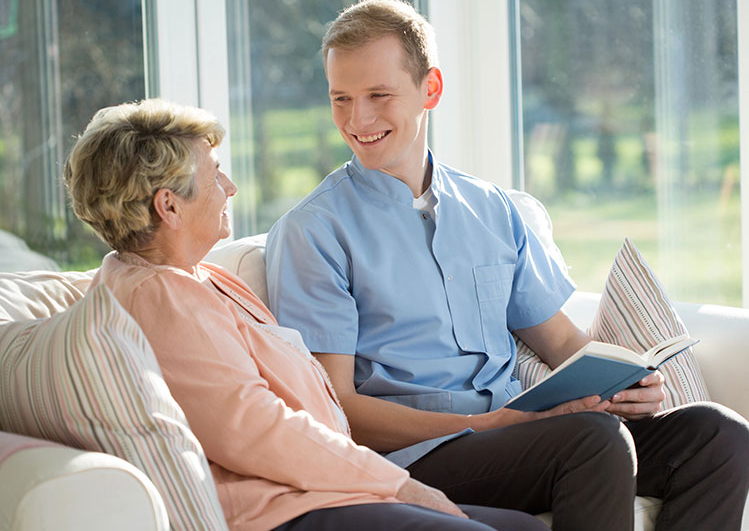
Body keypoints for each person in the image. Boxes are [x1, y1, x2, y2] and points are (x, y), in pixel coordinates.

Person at [265, 0, 749, 531]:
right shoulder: (313, 231)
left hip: (522, 436)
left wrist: (629, 382)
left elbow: (561, 344)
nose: (357, 120)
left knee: (718, 436)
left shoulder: (492, 209)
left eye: (378, 95)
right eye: (341, 99)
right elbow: (338, 408)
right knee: (594, 442)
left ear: (430, 89)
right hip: (419, 456)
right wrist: (493, 421)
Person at [63, 98, 548, 531]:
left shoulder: (200, 279)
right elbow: (258, 428)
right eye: (214, 174)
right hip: (284, 508)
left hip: (324, 488)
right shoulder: (160, 299)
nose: (229, 187)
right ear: (168, 205)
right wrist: (398, 485)